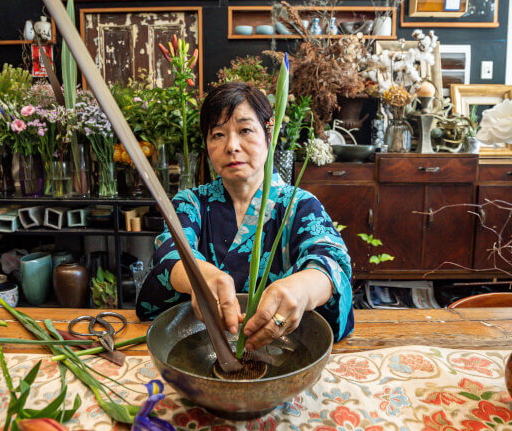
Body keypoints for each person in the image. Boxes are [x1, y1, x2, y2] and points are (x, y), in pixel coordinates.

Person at [136, 82, 354, 352]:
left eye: (245, 130)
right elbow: (170, 249)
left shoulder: (300, 205)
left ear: (269, 135)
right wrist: (199, 275)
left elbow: (330, 261)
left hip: (283, 348)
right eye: (218, 134)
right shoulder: (190, 203)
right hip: (205, 347)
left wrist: (303, 288)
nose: (231, 146)